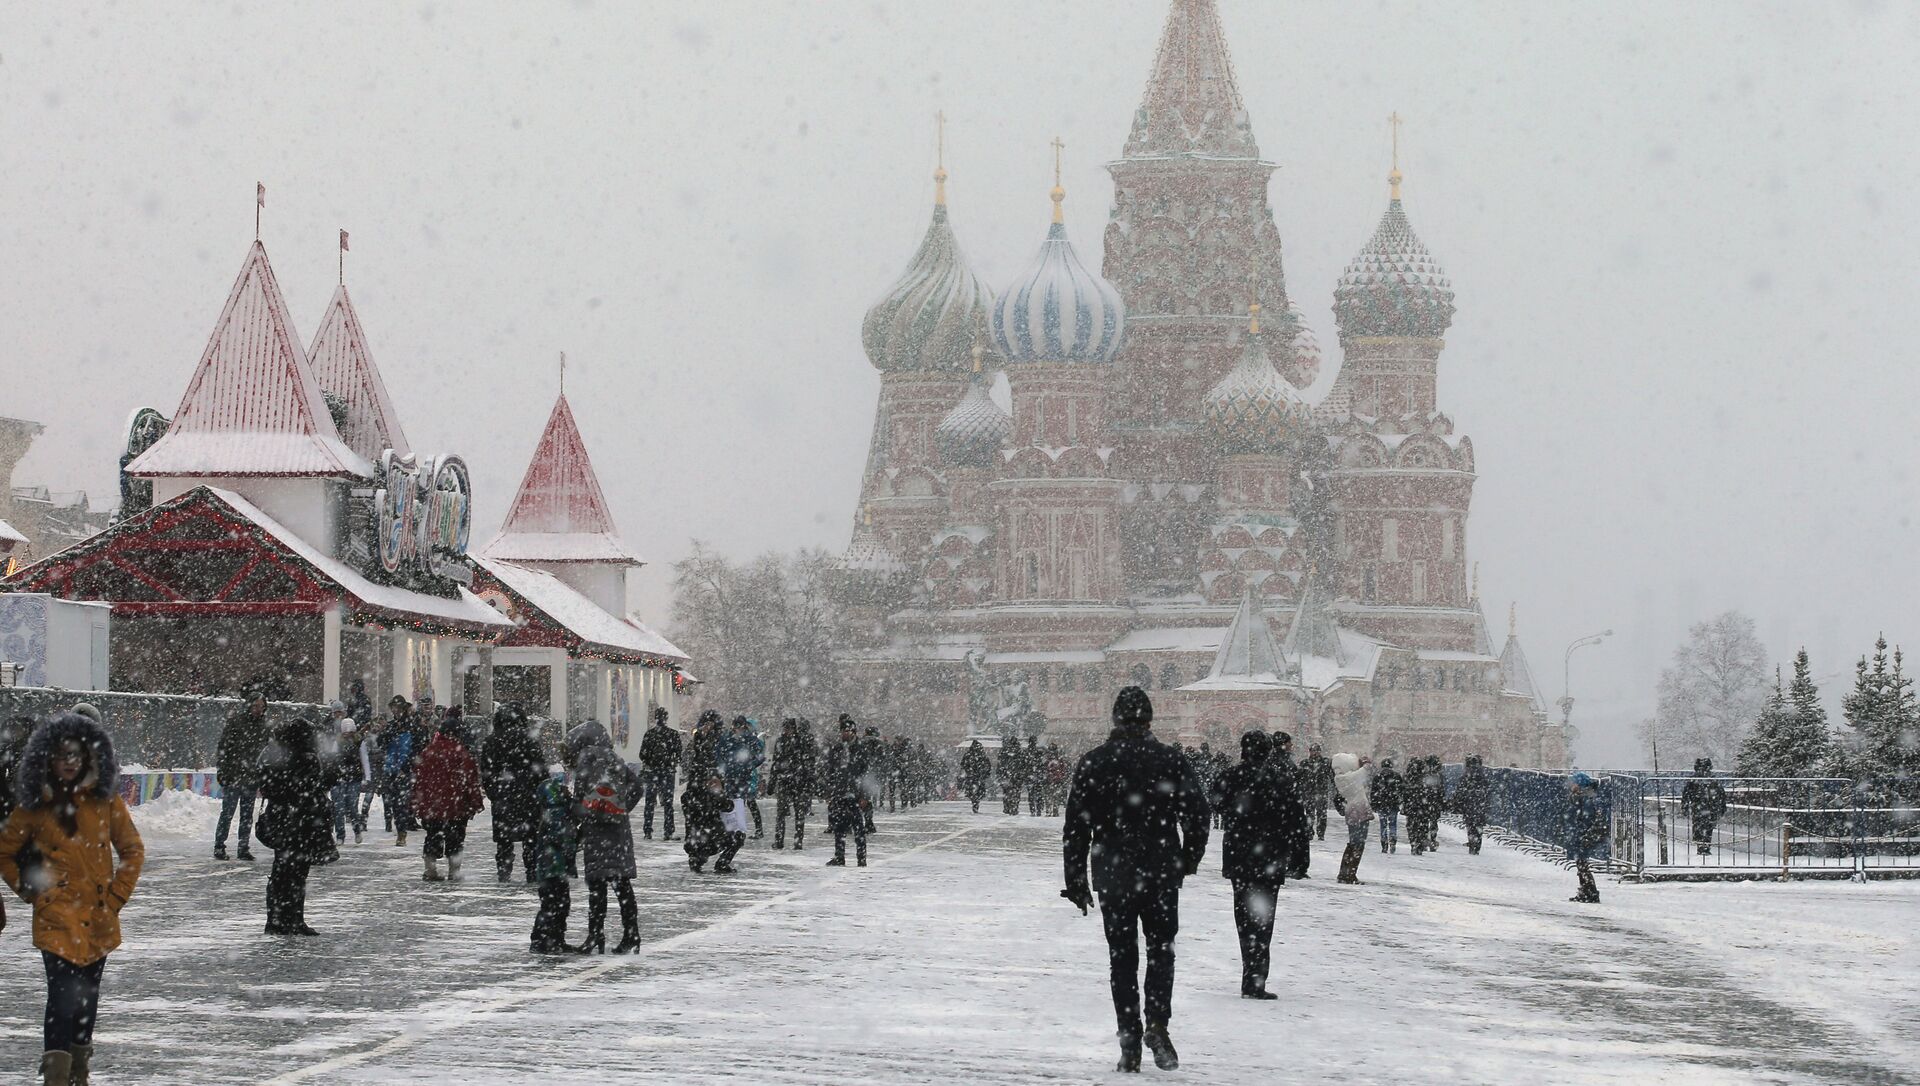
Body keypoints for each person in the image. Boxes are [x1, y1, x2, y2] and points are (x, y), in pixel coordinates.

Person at [1062, 687, 1209, 1073]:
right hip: (1160, 869)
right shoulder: (1170, 759)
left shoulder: (1095, 761)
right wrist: (1188, 859)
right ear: (1149, 719)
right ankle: (1158, 1022)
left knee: (1122, 958)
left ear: (1115, 718)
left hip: (1114, 872)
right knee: (1161, 950)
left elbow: (1076, 826)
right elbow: (1197, 813)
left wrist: (1075, 880)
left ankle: (1129, 1041)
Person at [0, 712, 144, 1086]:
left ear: (88, 757)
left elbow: (132, 849)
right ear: (48, 757)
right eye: (62, 755)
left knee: (86, 1002)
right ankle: (57, 1077)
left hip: (98, 920)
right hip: (56, 919)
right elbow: (5, 850)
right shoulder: (36, 804)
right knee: (62, 999)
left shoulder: (105, 801)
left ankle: (80, 1070)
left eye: (76, 755)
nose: (69, 762)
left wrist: (115, 898)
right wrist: (31, 892)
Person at [1211, 730, 1307, 1001]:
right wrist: (1298, 859)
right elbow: (1296, 819)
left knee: (1243, 918)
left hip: (1239, 856)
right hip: (1270, 858)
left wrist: (1239, 817)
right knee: (1263, 920)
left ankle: (1249, 972)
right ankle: (1255, 978)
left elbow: (1216, 804)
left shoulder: (1230, 776)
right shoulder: (1278, 779)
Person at [255, 717, 345, 935]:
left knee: (282, 872)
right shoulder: (306, 757)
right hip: (302, 823)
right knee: (296, 874)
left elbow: (267, 784)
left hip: (283, 821)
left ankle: (276, 920)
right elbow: (315, 787)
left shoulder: (276, 754)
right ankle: (293, 919)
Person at [567, 721, 642, 954]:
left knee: (597, 887)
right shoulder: (616, 759)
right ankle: (631, 934)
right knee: (622, 884)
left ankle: (595, 934)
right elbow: (638, 786)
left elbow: (579, 797)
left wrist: (578, 816)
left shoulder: (586, 759)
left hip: (597, 830)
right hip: (618, 831)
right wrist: (620, 808)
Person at [413, 714, 485, 881]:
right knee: (455, 838)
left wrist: (418, 802)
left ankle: (430, 869)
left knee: (432, 835)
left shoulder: (428, 751)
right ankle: (454, 870)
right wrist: (475, 802)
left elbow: (419, 779)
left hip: (432, 804)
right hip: (456, 805)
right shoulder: (462, 753)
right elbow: (470, 779)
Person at [482, 704, 547, 882]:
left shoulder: (491, 741)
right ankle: (532, 870)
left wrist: (493, 792)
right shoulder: (529, 740)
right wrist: (540, 790)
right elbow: (540, 769)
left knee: (504, 839)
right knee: (530, 837)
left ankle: (504, 871)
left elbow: (486, 772)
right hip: (528, 796)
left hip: (503, 796)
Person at [214, 690, 271, 861]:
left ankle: (243, 847)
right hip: (233, 776)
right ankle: (219, 846)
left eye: (261, 706)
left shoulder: (265, 727)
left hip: (251, 778)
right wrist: (222, 770)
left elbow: (267, 753)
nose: (258, 709)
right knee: (227, 813)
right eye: (255, 706)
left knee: (247, 816)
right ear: (249, 706)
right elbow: (223, 748)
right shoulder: (236, 723)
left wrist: (264, 775)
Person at [528, 775, 579, 954]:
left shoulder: (557, 810)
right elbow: (560, 836)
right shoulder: (556, 811)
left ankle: (553, 939)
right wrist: (572, 842)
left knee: (558, 903)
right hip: (553, 865)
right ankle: (544, 940)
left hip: (553, 865)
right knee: (554, 903)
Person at [819, 716, 870, 867]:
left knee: (858, 827)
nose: (844, 734)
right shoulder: (837, 749)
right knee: (839, 826)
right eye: (843, 731)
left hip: (856, 792)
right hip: (839, 792)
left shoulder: (861, 749)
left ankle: (861, 858)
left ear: (853, 732)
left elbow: (866, 774)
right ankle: (839, 856)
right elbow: (830, 771)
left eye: (847, 731)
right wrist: (829, 792)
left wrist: (864, 795)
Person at [768, 718, 818, 850]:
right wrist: (772, 782)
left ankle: (798, 841)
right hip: (785, 780)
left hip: (797, 781)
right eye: (785, 728)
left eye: (788, 728)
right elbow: (776, 762)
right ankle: (779, 840)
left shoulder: (800, 742)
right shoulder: (781, 741)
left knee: (798, 813)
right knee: (781, 813)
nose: (786, 731)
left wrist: (808, 780)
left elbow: (807, 762)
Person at [682, 771, 745, 874]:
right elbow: (729, 807)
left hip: (693, 842)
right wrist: (719, 792)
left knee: (701, 842)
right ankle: (722, 863)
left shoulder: (686, 796)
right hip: (712, 839)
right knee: (739, 836)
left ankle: (696, 859)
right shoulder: (711, 795)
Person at [323, 701, 366, 846]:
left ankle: (356, 830)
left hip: (353, 776)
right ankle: (340, 834)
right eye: (335, 712)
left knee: (352, 807)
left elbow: (364, 758)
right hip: (338, 777)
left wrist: (367, 776)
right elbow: (331, 758)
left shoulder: (358, 741)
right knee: (338, 808)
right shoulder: (332, 734)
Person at [1271, 733, 1313, 880]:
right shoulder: (1277, 760)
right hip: (1287, 804)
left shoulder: (1283, 759)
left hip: (1291, 803)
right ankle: (1295, 866)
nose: (1291, 745)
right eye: (1289, 742)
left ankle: (1297, 866)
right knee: (1294, 836)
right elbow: (1283, 781)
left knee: (1297, 836)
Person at [381, 697, 422, 848]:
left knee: (402, 803)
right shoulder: (391, 725)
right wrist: (385, 733)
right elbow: (382, 743)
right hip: (392, 769)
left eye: (398, 707)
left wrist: (408, 765)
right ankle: (400, 828)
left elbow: (417, 746)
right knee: (394, 802)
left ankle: (402, 832)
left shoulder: (412, 726)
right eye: (393, 707)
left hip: (405, 770)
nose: (395, 710)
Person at [637, 707, 683, 841]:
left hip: (653, 772)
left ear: (655, 718)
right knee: (668, 803)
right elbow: (679, 754)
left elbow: (642, 754)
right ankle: (668, 831)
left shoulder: (649, 734)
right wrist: (671, 762)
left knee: (650, 802)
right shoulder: (673, 734)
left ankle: (647, 830)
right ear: (666, 718)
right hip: (667, 772)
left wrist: (651, 762)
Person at [1330, 754, 1373, 884]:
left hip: (1352, 811)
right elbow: (1364, 770)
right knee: (1358, 844)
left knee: (1353, 843)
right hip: (1358, 811)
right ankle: (1350, 874)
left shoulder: (1341, 778)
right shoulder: (1345, 778)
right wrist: (1365, 763)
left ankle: (1345, 873)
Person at [723, 716, 765, 840]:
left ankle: (757, 829)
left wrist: (750, 765)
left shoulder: (750, 738)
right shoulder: (729, 738)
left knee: (750, 801)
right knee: (732, 802)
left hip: (747, 776)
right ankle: (732, 829)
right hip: (732, 775)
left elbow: (760, 755)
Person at [1567, 772, 1605, 903]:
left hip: (1585, 835)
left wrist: (1586, 835)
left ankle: (1590, 892)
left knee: (1582, 865)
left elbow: (1590, 819)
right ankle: (1586, 891)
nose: (1571, 785)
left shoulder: (1587, 799)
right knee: (1581, 864)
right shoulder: (1581, 797)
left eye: (1574, 783)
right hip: (1582, 835)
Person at [1679, 758, 1728, 856]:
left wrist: (1685, 806)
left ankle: (1702, 846)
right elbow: (1721, 794)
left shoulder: (1694, 781)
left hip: (1699, 807)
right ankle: (1704, 846)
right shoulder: (1712, 780)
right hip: (1709, 807)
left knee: (1700, 827)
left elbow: (1686, 794)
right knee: (1707, 827)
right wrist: (1722, 806)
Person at [0, 715, 35, 824]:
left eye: (19, 729)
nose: (16, 732)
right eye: (13, 729)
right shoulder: (6, 751)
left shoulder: (34, 751)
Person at [1454, 754, 1492, 854]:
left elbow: (1460, 791)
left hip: (1469, 804)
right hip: (1480, 805)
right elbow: (1488, 791)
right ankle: (1477, 845)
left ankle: (1472, 844)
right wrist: (1486, 804)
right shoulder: (1483, 775)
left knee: (1470, 826)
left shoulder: (1466, 775)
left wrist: (1459, 803)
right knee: (1479, 826)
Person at [1298, 743, 1335, 842]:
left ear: (1320, 752)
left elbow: (1332, 777)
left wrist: (1335, 788)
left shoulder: (1325, 763)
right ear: (1309, 752)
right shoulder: (1304, 763)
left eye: (1317, 751)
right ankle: (1309, 832)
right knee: (1309, 814)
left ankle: (1321, 833)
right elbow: (1299, 778)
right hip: (1308, 793)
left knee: (1322, 814)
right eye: (1313, 751)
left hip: (1321, 792)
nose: (1315, 753)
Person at [1403, 754, 1438, 855]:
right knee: (1423, 826)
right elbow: (1431, 792)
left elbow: (1404, 792)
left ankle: (1414, 842)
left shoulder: (1407, 777)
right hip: (1423, 806)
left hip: (1411, 806)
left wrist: (1405, 803)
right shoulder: (1426, 778)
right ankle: (1420, 843)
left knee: (1411, 826)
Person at [1370, 756, 1403, 853]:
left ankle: (1384, 843)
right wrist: (1399, 800)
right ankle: (1392, 839)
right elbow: (1401, 790)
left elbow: (1373, 791)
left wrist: (1374, 803)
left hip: (1381, 804)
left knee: (1383, 824)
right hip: (1393, 804)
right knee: (1393, 824)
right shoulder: (1396, 776)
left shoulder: (1378, 777)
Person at [858, 726, 887, 832]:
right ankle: (869, 822)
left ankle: (859, 822)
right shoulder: (880, 744)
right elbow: (883, 760)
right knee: (868, 798)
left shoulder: (860, 742)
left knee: (859, 798)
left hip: (861, 773)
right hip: (874, 774)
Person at [959, 739, 992, 813]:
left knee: (972, 791)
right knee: (978, 791)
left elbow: (963, 765)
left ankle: (974, 801)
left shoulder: (968, 755)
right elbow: (987, 765)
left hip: (971, 776)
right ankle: (976, 802)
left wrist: (967, 771)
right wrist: (985, 773)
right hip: (979, 776)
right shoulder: (982, 755)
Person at [996, 737, 1026, 815]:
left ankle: (1007, 806)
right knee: (1016, 793)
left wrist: (1001, 774)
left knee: (1006, 792)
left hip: (1006, 775)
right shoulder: (1020, 752)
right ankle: (1014, 807)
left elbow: (1000, 764)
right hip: (1017, 776)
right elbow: (1024, 765)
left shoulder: (1005, 751)